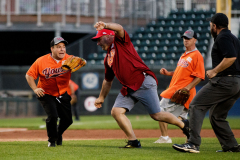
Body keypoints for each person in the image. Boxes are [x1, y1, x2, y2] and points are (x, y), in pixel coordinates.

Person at [92, 21, 190, 148]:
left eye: (99, 39)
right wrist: (101, 97)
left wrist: (105, 25)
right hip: (129, 87)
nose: (98, 43)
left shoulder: (121, 42)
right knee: (116, 112)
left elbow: (120, 28)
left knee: (156, 115)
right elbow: (107, 81)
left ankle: (184, 125)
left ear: (108, 36)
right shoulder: (108, 58)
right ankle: (133, 141)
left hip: (143, 82)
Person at [172, 13, 240, 153]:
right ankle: (231, 146)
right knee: (216, 116)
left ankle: (193, 143)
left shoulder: (223, 37)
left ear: (214, 26)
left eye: (211, 24)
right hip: (236, 83)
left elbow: (231, 57)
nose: (210, 26)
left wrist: (215, 71)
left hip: (224, 81)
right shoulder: (234, 38)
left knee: (196, 105)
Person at [154, 30, 205, 144]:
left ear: (195, 40)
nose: (186, 40)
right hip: (177, 90)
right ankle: (190, 140)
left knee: (159, 111)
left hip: (182, 92)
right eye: (184, 38)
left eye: (189, 38)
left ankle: (165, 137)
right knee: (181, 119)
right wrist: (168, 73)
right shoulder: (184, 54)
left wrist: (187, 87)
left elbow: (200, 76)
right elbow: (180, 71)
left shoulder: (197, 56)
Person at [26, 37, 74, 147]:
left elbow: (80, 62)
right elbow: (29, 75)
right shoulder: (41, 61)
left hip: (62, 92)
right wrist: (35, 89)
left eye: (63, 47)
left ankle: (58, 134)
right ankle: (52, 140)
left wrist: (82, 63)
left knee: (68, 120)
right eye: (58, 47)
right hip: (45, 92)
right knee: (53, 116)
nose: (62, 49)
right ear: (52, 49)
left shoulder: (70, 59)